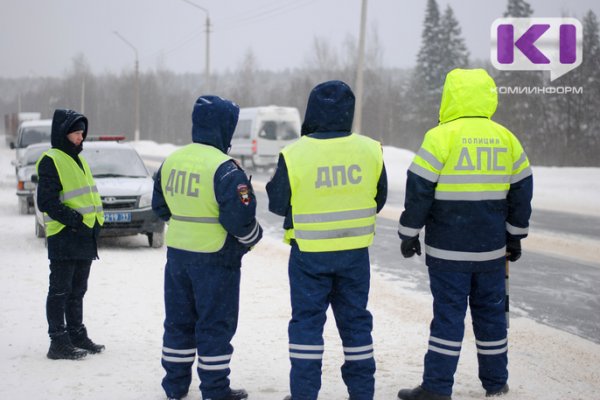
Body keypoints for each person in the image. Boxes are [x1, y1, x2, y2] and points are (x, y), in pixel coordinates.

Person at [396, 68, 533, 400]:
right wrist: (514, 235)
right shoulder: (506, 138)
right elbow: (522, 191)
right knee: (491, 316)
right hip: (490, 252)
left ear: (450, 97)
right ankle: (496, 383)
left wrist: (409, 232)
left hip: (448, 252)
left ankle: (437, 388)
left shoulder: (440, 137)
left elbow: (419, 191)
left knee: (448, 317)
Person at [267, 80, 388, 400]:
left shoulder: (295, 153)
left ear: (312, 111)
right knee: (356, 326)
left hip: (309, 256)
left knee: (306, 327)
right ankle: (363, 393)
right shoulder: (370, 149)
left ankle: (304, 395)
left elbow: (277, 204)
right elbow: (380, 198)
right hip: (354, 256)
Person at [152, 95, 262, 400]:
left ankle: (174, 386)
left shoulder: (171, 161)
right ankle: (215, 389)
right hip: (216, 259)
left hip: (177, 258)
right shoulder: (225, 169)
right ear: (223, 128)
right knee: (214, 324)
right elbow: (240, 220)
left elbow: (160, 208)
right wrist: (254, 238)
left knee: (178, 322)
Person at [36, 108, 105, 360]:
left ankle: (76, 333)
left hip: (84, 235)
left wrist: (95, 223)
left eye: (82, 133)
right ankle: (58, 341)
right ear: (63, 133)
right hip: (65, 235)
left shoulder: (79, 158)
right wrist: (74, 220)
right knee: (60, 290)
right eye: (76, 132)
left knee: (78, 290)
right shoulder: (51, 159)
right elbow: (47, 201)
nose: (80, 137)